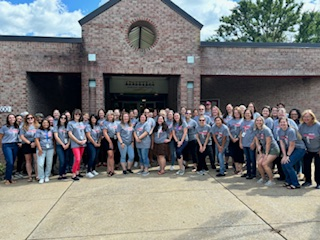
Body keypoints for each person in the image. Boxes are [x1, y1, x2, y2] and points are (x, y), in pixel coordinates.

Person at [278, 117, 306, 189]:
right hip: (291, 149)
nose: (283, 124)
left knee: (288, 163)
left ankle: (295, 183)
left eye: (284, 122)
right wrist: (284, 155)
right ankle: (288, 181)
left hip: (299, 149)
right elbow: (282, 144)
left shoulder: (291, 131)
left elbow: (292, 144)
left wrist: (287, 156)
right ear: (279, 124)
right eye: (281, 122)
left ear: (287, 123)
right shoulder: (279, 131)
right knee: (283, 162)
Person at [254, 116, 280, 186]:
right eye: (257, 121)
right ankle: (263, 178)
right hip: (265, 149)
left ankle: (271, 180)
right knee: (259, 163)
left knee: (264, 164)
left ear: (263, 122)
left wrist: (266, 154)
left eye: (260, 120)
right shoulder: (256, 130)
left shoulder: (266, 130)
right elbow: (257, 141)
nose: (259, 122)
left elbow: (268, 143)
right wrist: (260, 152)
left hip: (273, 149)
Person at [299, 109, 320, 189]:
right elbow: (299, 138)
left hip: (318, 150)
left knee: (318, 166)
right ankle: (308, 181)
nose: (306, 118)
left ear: (312, 117)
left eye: (308, 117)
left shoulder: (318, 126)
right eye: (304, 117)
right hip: (307, 150)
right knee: (306, 166)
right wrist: (303, 148)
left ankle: (318, 182)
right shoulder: (301, 126)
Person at [67, 109, 87, 181]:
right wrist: (77, 141)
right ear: (73, 115)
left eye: (79, 114)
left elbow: (83, 132)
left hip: (82, 143)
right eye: (76, 114)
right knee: (77, 159)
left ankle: (77, 172)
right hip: (75, 144)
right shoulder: (70, 123)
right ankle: (73, 174)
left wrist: (85, 139)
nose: (77, 116)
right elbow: (70, 134)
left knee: (80, 159)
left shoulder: (81, 123)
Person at [0, 114, 19, 185]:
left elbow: (18, 136)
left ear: (15, 119)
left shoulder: (17, 127)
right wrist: (1, 146)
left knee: (13, 162)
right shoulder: (4, 127)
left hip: (15, 145)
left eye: (13, 118)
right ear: (8, 119)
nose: (11, 119)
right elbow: (0, 137)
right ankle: (7, 178)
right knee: (9, 162)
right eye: (10, 118)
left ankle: (10, 178)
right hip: (7, 145)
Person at [20, 114, 40, 182]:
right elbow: (22, 136)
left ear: (34, 118)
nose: (30, 119)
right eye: (28, 118)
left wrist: (35, 142)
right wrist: (29, 143)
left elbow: (40, 135)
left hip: (36, 144)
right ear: (26, 120)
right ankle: (30, 176)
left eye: (31, 118)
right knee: (28, 161)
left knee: (36, 160)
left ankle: (37, 175)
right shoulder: (23, 127)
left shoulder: (38, 126)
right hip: (26, 144)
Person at [35, 119, 54, 184]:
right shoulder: (38, 130)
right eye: (44, 123)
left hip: (50, 148)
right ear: (42, 123)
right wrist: (39, 148)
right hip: (41, 149)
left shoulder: (51, 130)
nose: (45, 124)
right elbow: (37, 139)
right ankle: (41, 177)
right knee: (40, 164)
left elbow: (54, 139)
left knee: (49, 163)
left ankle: (47, 176)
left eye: (47, 123)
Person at [239, 109, 256, 179]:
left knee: (252, 159)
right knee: (247, 159)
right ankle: (248, 172)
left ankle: (253, 173)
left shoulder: (253, 122)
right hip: (244, 143)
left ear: (251, 114)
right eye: (246, 113)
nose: (247, 115)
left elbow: (256, 134)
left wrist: (253, 143)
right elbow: (241, 133)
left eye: (248, 113)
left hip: (251, 143)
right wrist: (240, 142)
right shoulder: (242, 123)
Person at [53, 114, 70, 180]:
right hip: (60, 145)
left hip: (67, 145)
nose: (63, 119)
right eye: (62, 118)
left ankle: (64, 173)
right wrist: (62, 144)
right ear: (59, 119)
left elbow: (70, 136)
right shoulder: (56, 127)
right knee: (62, 160)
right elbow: (56, 137)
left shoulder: (67, 127)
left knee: (66, 160)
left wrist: (68, 144)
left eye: (64, 118)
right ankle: (60, 174)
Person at [227, 107, 244, 174]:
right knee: (234, 154)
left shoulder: (242, 120)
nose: (236, 114)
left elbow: (243, 130)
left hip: (240, 140)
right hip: (232, 140)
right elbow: (228, 130)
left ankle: (240, 169)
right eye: (235, 113)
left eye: (238, 113)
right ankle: (237, 169)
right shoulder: (231, 121)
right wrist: (232, 138)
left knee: (240, 154)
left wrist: (238, 138)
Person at [102, 110, 117, 176]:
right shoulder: (105, 123)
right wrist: (110, 142)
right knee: (111, 155)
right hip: (107, 140)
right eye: (109, 115)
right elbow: (105, 133)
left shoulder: (116, 123)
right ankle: (112, 171)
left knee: (111, 156)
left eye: (111, 115)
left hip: (114, 139)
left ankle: (109, 169)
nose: (110, 116)